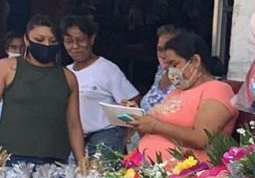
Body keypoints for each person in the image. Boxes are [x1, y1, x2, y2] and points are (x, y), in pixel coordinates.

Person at [0, 15, 85, 167]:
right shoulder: (7, 68)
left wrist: (82, 163)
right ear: (26, 40)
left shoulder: (68, 78)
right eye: (39, 40)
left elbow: (74, 124)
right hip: (10, 159)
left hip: (55, 163)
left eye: (52, 41)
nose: (46, 45)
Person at [132, 31, 237, 162]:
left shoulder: (217, 89)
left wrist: (154, 125)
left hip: (184, 172)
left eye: (174, 64)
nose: (170, 71)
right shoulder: (177, 91)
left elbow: (201, 139)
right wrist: (138, 119)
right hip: (146, 164)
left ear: (195, 61)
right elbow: (152, 134)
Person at [61, 15, 139, 156]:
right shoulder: (65, 72)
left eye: (80, 40)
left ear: (91, 39)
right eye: (69, 41)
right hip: (73, 138)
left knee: (101, 177)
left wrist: (126, 134)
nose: (75, 46)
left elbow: (133, 99)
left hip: (105, 136)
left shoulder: (107, 69)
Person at [0, 32, 26, 143]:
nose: (18, 52)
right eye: (13, 47)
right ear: (7, 50)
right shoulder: (0, 70)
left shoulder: (30, 72)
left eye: (21, 48)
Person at [139, 24, 179, 112]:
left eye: (169, 50)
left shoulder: (188, 79)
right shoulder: (161, 71)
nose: (163, 55)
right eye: (160, 49)